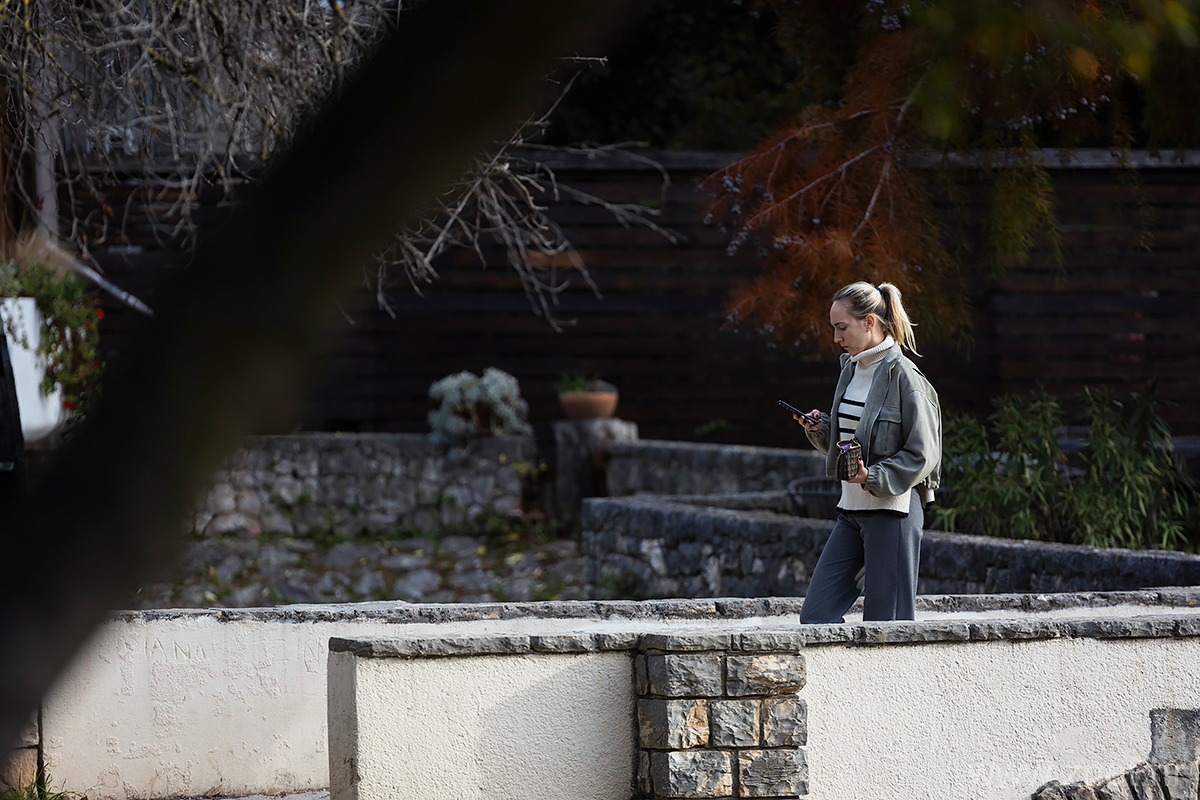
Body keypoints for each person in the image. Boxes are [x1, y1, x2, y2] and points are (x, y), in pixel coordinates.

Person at [793, 281, 941, 623]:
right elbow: (852, 440)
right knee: (816, 616)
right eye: (834, 328)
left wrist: (871, 476)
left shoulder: (906, 377)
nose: (836, 338)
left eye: (842, 327)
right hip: (851, 510)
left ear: (869, 322)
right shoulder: (850, 369)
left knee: (885, 627)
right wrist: (821, 429)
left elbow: (924, 455)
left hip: (893, 514)